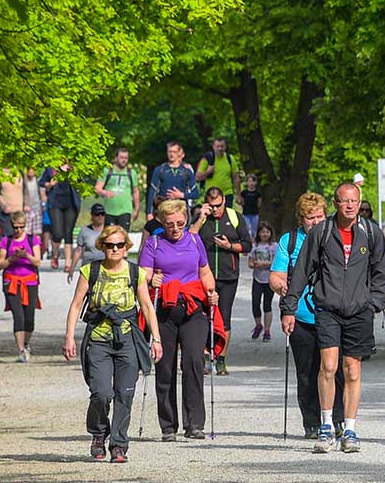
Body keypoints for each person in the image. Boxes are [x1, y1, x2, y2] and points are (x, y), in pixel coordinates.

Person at [283, 182, 385, 454]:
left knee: (352, 370)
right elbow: (301, 271)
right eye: (344, 201)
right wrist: (289, 308)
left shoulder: (371, 233)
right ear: (336, 203)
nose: (350, 205)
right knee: (328, 367)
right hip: (328, 309)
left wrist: (374, 303)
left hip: (358, 311)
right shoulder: (321, 232)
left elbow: (381, 271)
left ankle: (350, 429)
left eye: (354, 200)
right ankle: (327, 425)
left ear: (360, 202)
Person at [63, 225, 162, 464]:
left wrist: (156, 339)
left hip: (127, 338)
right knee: (101, 393)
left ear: (127, 247)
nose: (114, 249)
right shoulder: (90, 271)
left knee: (124, 394)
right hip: (98, 339)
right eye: (109, 245)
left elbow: (147, 306)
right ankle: (98, 434)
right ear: (102, 246)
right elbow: (76, 305)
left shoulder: (135, 273)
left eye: (119, 245)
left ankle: (118, 445)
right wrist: (68, 337)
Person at [139, 200, 220, 441]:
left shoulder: (194, 241)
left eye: (181, 223)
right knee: (165, 366)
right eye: (170, 224)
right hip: (164, 310)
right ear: (162, 223)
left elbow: (204, 271)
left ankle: (194, 424)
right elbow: (144, 275)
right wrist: (151, 280)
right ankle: (168, 426)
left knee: (194, 361)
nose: (175, 228)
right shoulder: (153, 243)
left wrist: (211, 291)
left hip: (193, 309)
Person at [270, 193, 345, 439]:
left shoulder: (334, 236)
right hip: (301, 315)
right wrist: (281, 286)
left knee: (335, 369)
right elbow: (276, 275)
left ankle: (338, 418)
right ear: (300, 219)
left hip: (333, 314)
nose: (315, 222)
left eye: (320, 217)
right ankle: (311, 421)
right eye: (310, 218)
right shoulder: (290, 241)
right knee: (307, 371)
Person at [192, 186, 253, 375]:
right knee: (203, 317)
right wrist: (201, 217)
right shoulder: (202, 218)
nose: (215, 209)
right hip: (204, 276)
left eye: (218, 205)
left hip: (228, 276)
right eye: (212, 206)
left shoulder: (235, 217)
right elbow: (188, 239)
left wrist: (230, 246)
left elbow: (247, 245)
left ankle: (221, 359)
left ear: (224, 202)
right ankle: (205, 358)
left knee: (224, 318)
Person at [0, 210, 43, 363]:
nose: (18, 230)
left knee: (29, 317)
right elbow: (0, 264)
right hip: (12, 282)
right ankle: (21, 350)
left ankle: (26, 343)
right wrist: (13, 258)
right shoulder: (6, 241)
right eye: (15, 227)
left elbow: (38, 262)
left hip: (30, 282)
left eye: (21, 227)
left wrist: (26, 256)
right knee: (18, 317)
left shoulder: (33, 240)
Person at [40, 161, 82, 270]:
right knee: (57, 233)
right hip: (55, 204)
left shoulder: (74, 167)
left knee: (68, 233)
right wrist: (50, 184)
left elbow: (81, 183)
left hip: (71, 204)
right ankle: (55, 254)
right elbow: (41, 182)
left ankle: (68, 263)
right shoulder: (51, 167)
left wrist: (74, 174)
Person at [147, 142, 200, 221]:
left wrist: (181, 195)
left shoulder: (186, 171)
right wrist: (149, 212)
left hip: (180, 211)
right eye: (169, 152)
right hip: (163, 210)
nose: (171, 154)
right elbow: (152, 191)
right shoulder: (160, 170)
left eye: (174, 152)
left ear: (179, 153)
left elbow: (195, 193)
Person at [95, 148, 141, 229]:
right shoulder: (107, 171)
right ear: (116, 158)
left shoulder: (131, 173)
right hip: (109, 211)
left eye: (126, 158)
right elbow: (97, 188)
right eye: (121, 157)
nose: (124, 160)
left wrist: (136, 209)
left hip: (125, 211)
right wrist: (105, 192)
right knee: (109, 237)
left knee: (123, 237)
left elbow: (135, 191)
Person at [248, 221, 278, 342]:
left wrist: (263, 264)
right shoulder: (255, 246)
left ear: (270, 233)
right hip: (257, 279)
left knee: (267, 305)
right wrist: (254, 264)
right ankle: (258, 325)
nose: (265, 234)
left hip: (269, 279)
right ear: (259, 233)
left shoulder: (274, 246)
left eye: (267, 232)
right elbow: (250, 262)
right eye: (262, 232)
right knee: (255, 303)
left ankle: (267, 330)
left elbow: (276, 263)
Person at [196, 138, 242, 207]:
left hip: (227, 195)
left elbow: (236, 178)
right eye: (217, 146)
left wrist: (238, 195)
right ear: (213, 147)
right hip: (212, 195)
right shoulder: (207, 159)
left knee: (226, 216)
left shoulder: (230, 159)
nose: (219, 149)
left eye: (222, 146)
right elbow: (197, 177)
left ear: (225, 147)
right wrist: (208, 172)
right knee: (212, 217)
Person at [70, 203, 107, 282]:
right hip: (88, 267)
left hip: (105, 267)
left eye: (102, 214)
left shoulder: (109, 230)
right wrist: (72, 269)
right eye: (97, 214)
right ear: (92, 215)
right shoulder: (84, 230)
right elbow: (78, 250)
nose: (100, 216)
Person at [0, 169, 25, 239]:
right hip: (6, 213)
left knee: (19, 236)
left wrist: (26, 204)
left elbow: (26, 192)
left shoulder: (20, 172)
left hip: (19, 212)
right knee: (8, 237)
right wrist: (3, 206)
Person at [239, 174, 262, 239]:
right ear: (246, 182)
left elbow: (259, 203)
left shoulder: (257, 193)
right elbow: (241, 201)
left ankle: (254, 241)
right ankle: (248, 240)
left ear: (256, 182)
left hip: (255, 213)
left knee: (254, 230)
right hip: (246, 213)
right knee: (247, 228)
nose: (251, 183)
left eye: (253, 181)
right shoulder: (244, 192)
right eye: (249, 181)